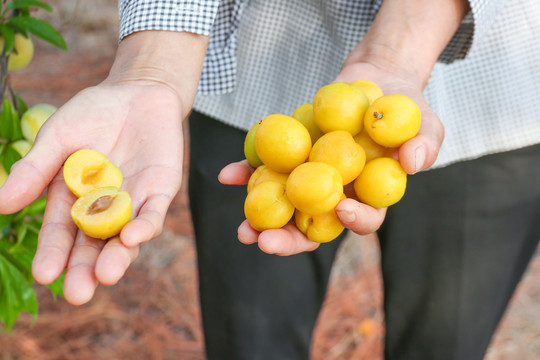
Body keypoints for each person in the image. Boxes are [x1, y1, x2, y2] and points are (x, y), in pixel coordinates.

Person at [0, 0, 538, 359]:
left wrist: (397, 50)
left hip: (488, 93)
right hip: (256, 78)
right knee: (250, 341)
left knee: (446, 344)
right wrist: (153, 66)